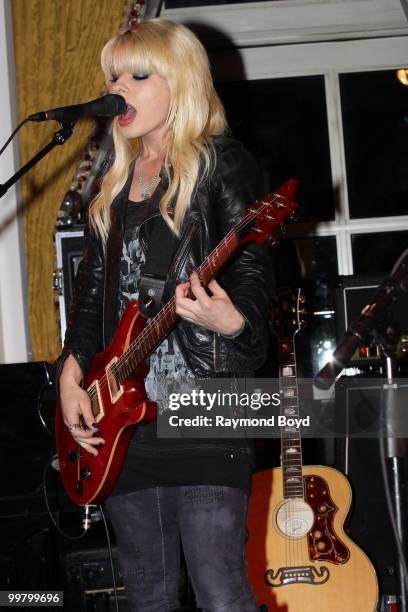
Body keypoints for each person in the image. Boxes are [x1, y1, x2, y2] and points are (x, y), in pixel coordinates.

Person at [57, 18, 273, 612]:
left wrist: (235, 323)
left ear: (179, 83)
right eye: (111, 76)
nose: (118, 87)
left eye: (138, 75)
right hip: (126, 417)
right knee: (148, 596)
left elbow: (252, 277)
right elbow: (92, 297)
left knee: (221, 590)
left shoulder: (223, 166)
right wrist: (72, 374)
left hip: (209, 404)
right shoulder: (113, 180)